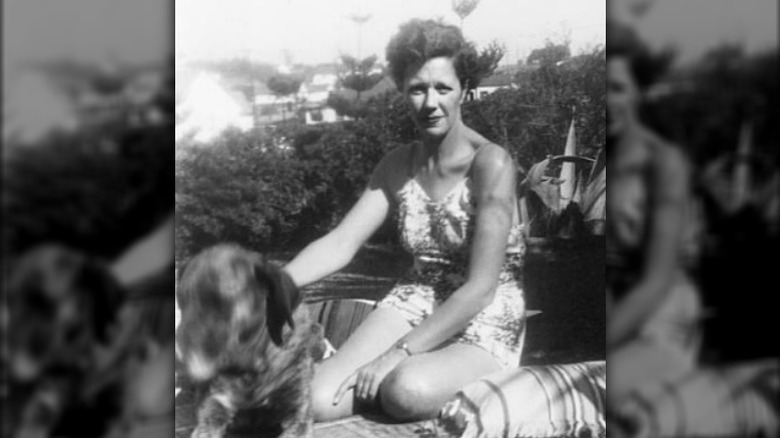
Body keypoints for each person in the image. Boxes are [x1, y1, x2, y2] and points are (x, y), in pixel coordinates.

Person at [283, 18, 527, 422]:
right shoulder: (398, 164)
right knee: (318, 399)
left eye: (442, 88)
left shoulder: (491, 164)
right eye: (417, 89)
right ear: (403, 92)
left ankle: (442, 379)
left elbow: (482, 288)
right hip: (415, 300)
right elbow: (342, 242)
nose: (430, 103)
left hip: (485, 316)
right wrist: (276, 283)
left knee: (405, 390)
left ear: (463, 89)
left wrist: (399, 352)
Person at [604, 21, 703, 430]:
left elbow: (658, 278)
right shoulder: (602, 159)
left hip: (660, 307)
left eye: (618, 88)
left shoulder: (663, 163)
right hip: (611, 299)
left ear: (638, 93)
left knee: (617, 395)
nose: (607, 101)